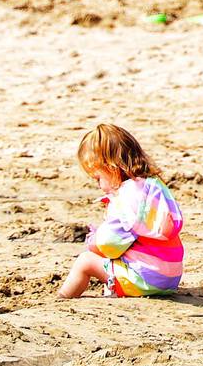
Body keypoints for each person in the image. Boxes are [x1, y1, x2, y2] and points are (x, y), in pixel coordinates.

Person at [57, 124, 184, 299]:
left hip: (143, 280)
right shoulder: (155, 186)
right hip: (170, 278)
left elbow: (109, 245)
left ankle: (63, 298)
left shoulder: (127, 198)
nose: (99, 186)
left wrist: (94, 241)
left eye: (98, 178)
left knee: (85, 262)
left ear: (112, 168)